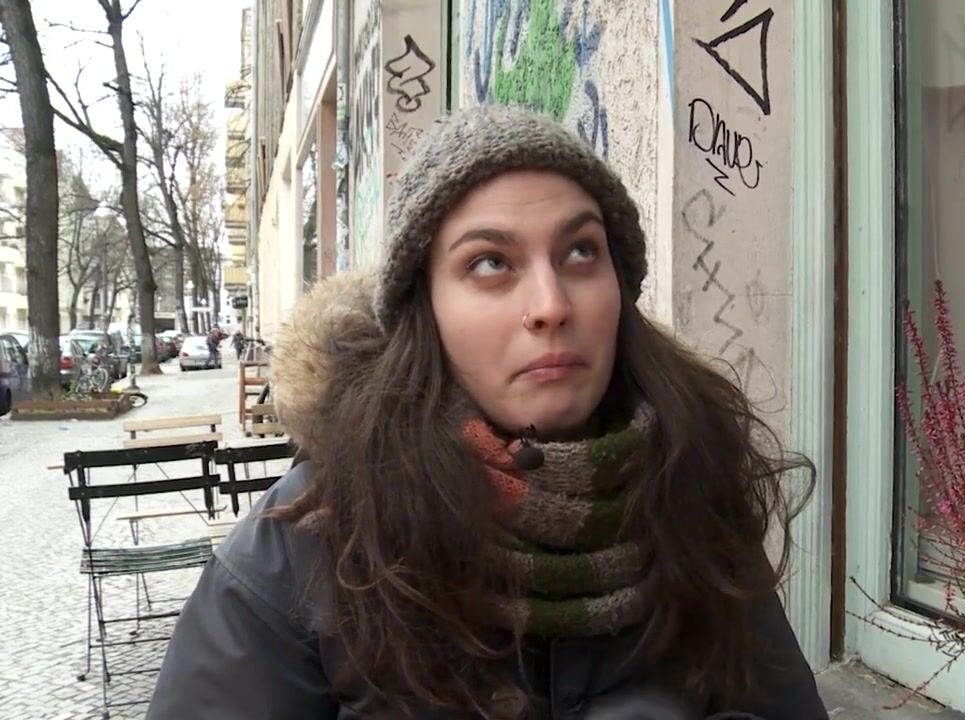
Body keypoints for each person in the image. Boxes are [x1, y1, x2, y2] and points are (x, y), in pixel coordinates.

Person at [148, 105, 825, 719]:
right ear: (425, 311)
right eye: (490, 263)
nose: (551, 304)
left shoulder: (690, 482)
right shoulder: (305, 549)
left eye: (581, 252)